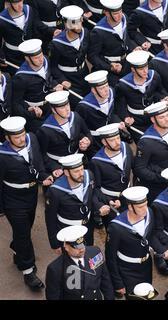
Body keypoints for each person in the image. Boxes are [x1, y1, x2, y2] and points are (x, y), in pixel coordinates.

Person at [0, 116, 52, 291]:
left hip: (31, 194)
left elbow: (38, 162)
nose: (22, 139)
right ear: (7, 138)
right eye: (16, 137)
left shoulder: (32, 138)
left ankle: (17, 248)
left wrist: (44, 176)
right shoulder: (2, 156)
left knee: (25, 228)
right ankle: (28, 271)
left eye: (22, 134)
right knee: (23, 233)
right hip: (12, 199)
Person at [106, 186, 168, 298]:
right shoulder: (116, 227)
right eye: (140, 207)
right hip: (127, 270)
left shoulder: (149, 213)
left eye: (145, 204)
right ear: (130, 207)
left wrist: (162, 250)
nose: (145, 209)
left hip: (146, 265)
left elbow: (151, 235)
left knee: (147, 295)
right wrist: (118, 283)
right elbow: (110, 257)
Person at [45, 153, 99, 251]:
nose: (81, 173)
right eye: (76, 171)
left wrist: (100, 205)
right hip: (68, 230)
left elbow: (93, 194)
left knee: (87, 255)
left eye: (82, 169)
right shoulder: (55, 191)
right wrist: (55, 244)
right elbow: (50, 218)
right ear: (66, 172)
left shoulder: (89, 175)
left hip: (87, 227)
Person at [45, 225, 115, 300]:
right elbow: (53, 296)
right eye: (76, 247)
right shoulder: (56, 269)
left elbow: (105, 281)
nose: (81, 249)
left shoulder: (95, 252)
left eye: (82, 244)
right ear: (66, 246)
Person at [115, 50, 168, 142]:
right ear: (133, 70)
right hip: (136, 121)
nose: (145, 71)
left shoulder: (154, 75)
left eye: (146, 67)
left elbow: (160, 90)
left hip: (154, 115)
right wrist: (125, 117)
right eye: (141, 69)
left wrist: (165, 97)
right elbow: (120, 104)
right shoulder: (123, 85)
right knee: (145, 143)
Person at [36, 90, 92, 178]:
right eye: (62, 107)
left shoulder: (75, 116)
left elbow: (87, 132)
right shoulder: (45, 130)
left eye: (68, 105)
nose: (67, 109)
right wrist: (54, 167)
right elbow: (41, 153)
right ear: (53, 110)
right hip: (59, 166)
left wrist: (87, 141)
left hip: (78, 161)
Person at [12, 39, 63, 133]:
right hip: (34, 114)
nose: (41, 60)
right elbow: (16, 103)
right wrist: (29, 111)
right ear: (27, 58)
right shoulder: (21, 78)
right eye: (36, 58)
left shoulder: (46, 60)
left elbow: (48, 79)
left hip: (49, 105)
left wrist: (55, 86)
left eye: (41, 55)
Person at [0, 0, 59, 75]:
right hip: (13, 56)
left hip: (31, 52)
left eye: (21, 1)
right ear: (8, 3)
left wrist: (52, 31)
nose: (20, 5)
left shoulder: (28, 9)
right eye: (16, 3)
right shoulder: (1, 19)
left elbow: (37, 24)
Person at [90, 123, 132, 227]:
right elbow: (96, 189)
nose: (117, 142)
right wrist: (108, 201)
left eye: (118, 138)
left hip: (128, 196)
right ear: (104, 142)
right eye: (112, 140)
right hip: (111, 201)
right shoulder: (96, 162)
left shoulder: (125, 147)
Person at [88, 0, 138, 87]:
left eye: (120, 11)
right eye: (115, 14)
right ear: (107, 13)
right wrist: (110, 66)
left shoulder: (124, 18)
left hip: (126, 63)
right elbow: (92, 56)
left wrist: (134, 47)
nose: (119, 16)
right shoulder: (98, 32)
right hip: (110, 69)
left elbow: (126, 40)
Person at [49, 5, 91, 107]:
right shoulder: (56, 44)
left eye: (80, 21)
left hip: (84, 73)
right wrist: (62, 79)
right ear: (67, 24)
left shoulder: (85, 33)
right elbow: (53, 66)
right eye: (75, 23)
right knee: (79, 105)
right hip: (69, 78)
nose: (79, 25)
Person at [76, 70, 125, 157]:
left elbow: (112, 113)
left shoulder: (111, 92)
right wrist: (84, 139)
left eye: (106, 86)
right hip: (94, 141)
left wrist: (118, 121)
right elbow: (78, 126)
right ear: (93, 90)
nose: (106, 90)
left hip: (110, 136)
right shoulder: (84, 106)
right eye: (102, 88)